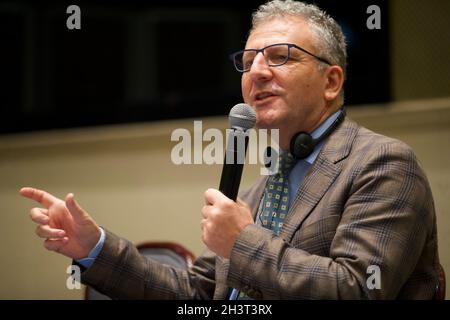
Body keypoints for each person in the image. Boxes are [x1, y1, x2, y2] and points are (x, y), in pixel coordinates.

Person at [21, 0, 440, 299]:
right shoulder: (260, 191)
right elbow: (197, 293)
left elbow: (355, 289)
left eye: (280, 57)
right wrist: (92, 246)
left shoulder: (383, 165)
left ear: (332, 82)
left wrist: (242, 240)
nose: (256, 71)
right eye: (249, 59)